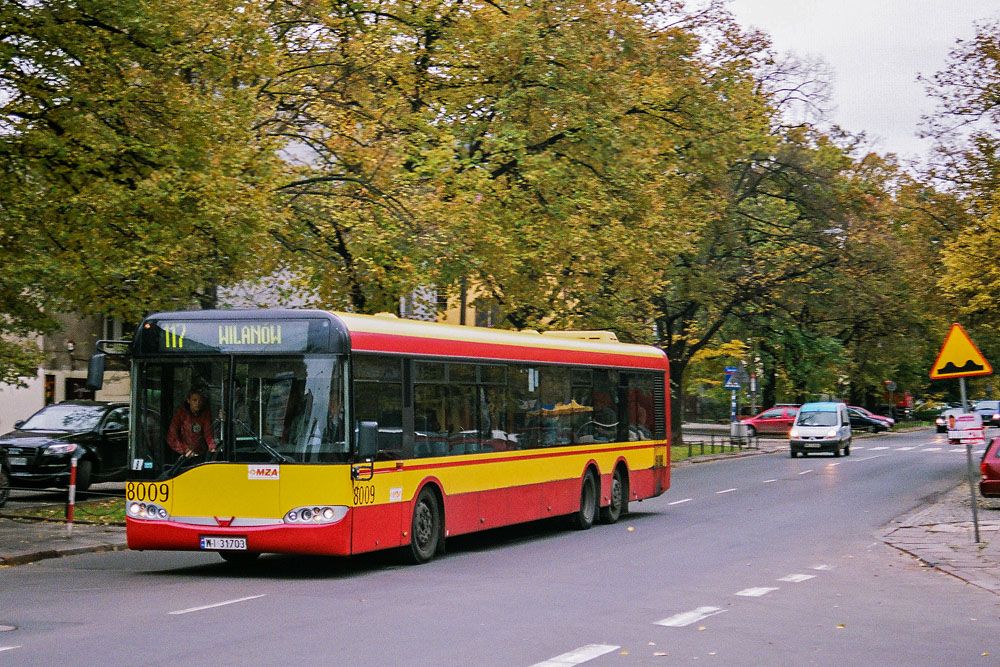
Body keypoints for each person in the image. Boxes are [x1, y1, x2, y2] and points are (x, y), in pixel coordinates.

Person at [167, 388, 217, 458]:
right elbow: (172, 438)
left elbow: (208, 432)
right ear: (188, 400)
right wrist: (185, 450)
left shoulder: (205, 413)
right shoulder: (180, 413)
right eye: (194, 400)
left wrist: (212, 447)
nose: (197, 403)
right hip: (182, 456)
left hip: (200, 454)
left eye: (200, 401)